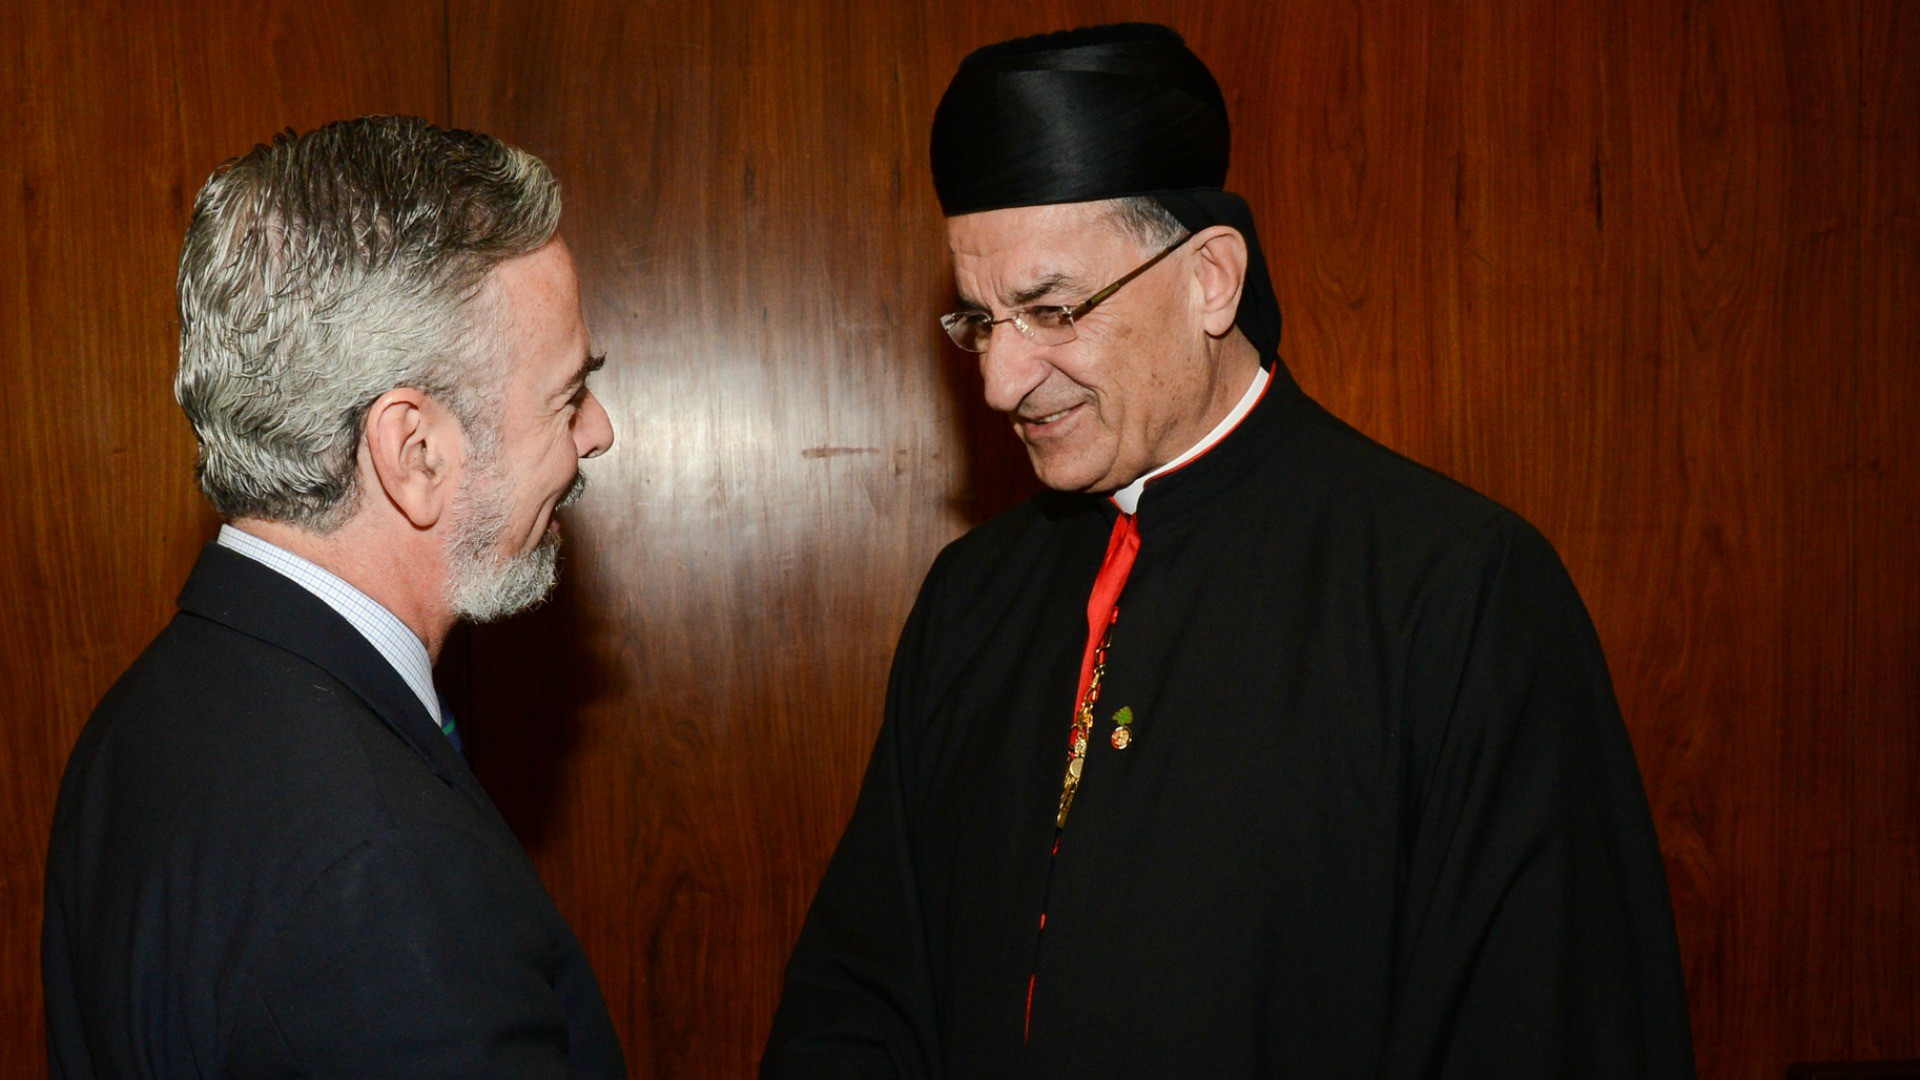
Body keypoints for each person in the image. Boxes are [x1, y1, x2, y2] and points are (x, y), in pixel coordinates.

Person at [764, 24, 1694, 1079]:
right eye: (980, 322)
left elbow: (1546, 1022)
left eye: (1052, 309)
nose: (1001, 381)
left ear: (1211, 277)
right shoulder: (972, 599)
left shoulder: (1457, 594)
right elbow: (863, 997)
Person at [42, 116, 626, 1077]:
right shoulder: (391, 877)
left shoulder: (138, 721)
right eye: (567, 397)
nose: (596, 432)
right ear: (415, 453)